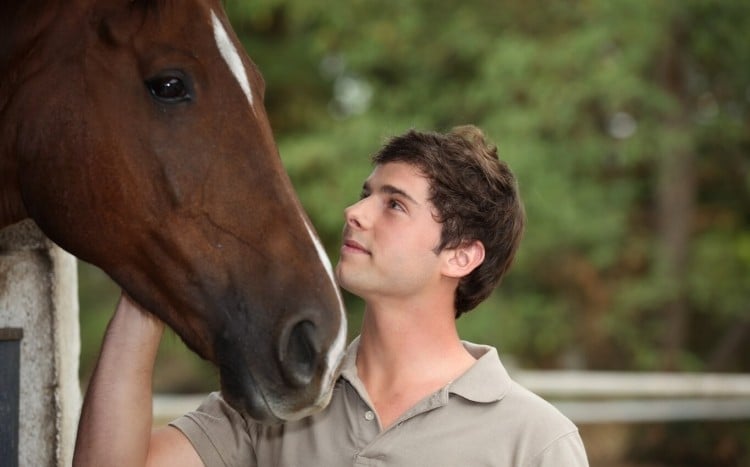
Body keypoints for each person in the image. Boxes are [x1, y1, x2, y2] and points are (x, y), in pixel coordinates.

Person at [73, 125, 589, 466]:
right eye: (366, 194)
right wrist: (148, 281)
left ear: (460, 256)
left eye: (395, 205)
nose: (354, 211)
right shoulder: (280, 403)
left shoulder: (537, 442)